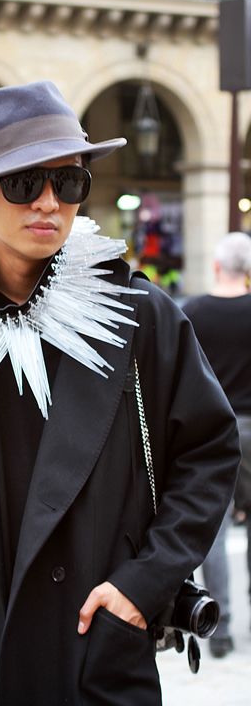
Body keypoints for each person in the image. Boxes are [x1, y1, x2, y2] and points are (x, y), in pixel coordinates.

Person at [0, 81, 239, 705]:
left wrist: (142, 584)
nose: (47, 203)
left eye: (68, 183)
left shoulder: (138, 316)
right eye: (23, 182)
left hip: (92, 641)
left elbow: (207, 451)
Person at [183, 231, 251, 658]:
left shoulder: (193, 313)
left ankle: (220, 628)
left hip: (216, 431)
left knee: (217, 532)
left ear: (216, 266)